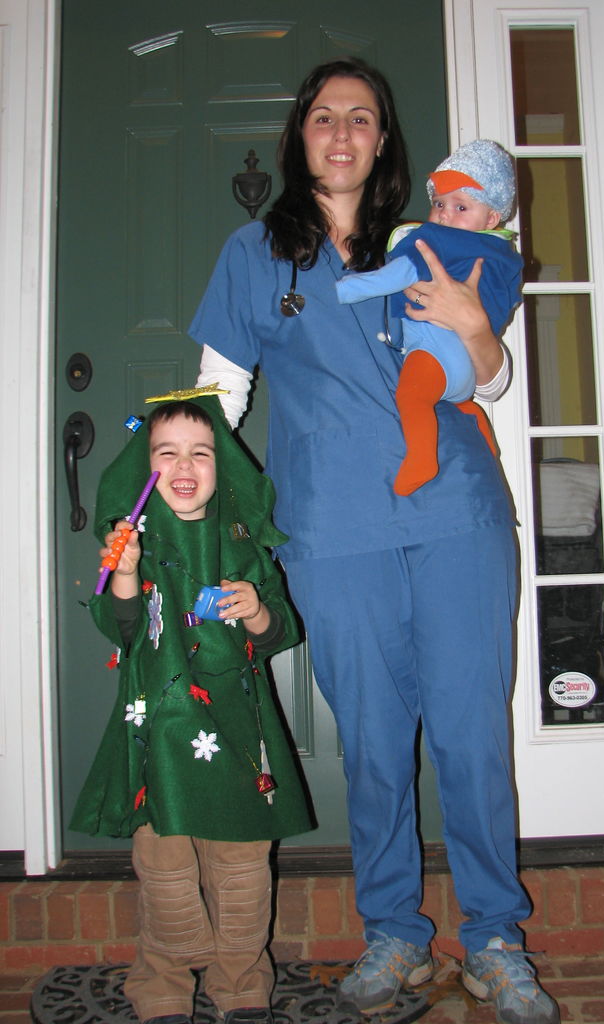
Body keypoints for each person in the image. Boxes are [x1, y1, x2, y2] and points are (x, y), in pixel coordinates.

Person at [191, 56, 560, 1024]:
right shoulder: (254, 254)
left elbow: (489, 380)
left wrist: (479, 328)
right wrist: (178, 492)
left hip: (459, 516)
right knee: (375, 744)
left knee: (473, 735)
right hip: (332, 528)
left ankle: (493, 939)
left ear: (384, 140)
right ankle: (395, 930)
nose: (343, 132)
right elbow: (220, 396)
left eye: (362, 118)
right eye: (324, 117)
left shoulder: (437, 239)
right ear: (300, 134)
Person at [70, 391, 313, 1024]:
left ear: (220, 466)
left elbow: (282, 627)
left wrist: (258, 612)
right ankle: (161, 984)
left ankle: (241, 984)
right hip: (162, 731)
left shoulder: (243, 544)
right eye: (166, 453)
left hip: (238, 733)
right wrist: (123, 575)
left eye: (200, 453)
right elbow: (119, 626)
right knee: (165, 865)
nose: (184, 464)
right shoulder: (136, 541)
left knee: (242, 866)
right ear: (145, 469)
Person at [336, 138, 522, 495]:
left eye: (460, 206)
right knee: (458, 401)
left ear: (492, 217)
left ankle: (422, 457)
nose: (444, 214)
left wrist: (341, 291)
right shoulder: (501, 256)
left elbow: (397, 275)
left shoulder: (435, 242)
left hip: (436, 352)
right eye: (439, 203)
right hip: (460, 373)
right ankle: (481, 430)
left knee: (413, 395)